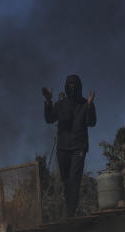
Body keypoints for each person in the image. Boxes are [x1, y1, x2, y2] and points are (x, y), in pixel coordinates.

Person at [43, 74, 96, 217]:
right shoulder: (61, 104)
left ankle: (71, 212)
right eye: (69, 84)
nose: (71, 87)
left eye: (74, 84)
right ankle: (69, 210)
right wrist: (48, 101)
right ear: (66, 86)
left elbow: (91, 122)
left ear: (79, 86)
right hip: (63, 148)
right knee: (66, 181)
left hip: (78, 147)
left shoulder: (86, 104)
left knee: (74, 178)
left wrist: (90, 106)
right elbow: (49, 119)